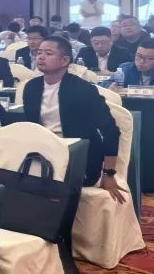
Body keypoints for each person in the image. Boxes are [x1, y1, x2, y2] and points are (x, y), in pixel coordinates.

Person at [21, 36, 123, 203]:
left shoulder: (83, 89)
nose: (41, 57)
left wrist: (109, 173)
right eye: (39, 53)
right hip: (43, 153)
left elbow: (111, 131)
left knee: (47, 187)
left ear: (65, 60)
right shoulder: (32, 87)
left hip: (78, 156)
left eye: (48, 53)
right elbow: (31, 127)